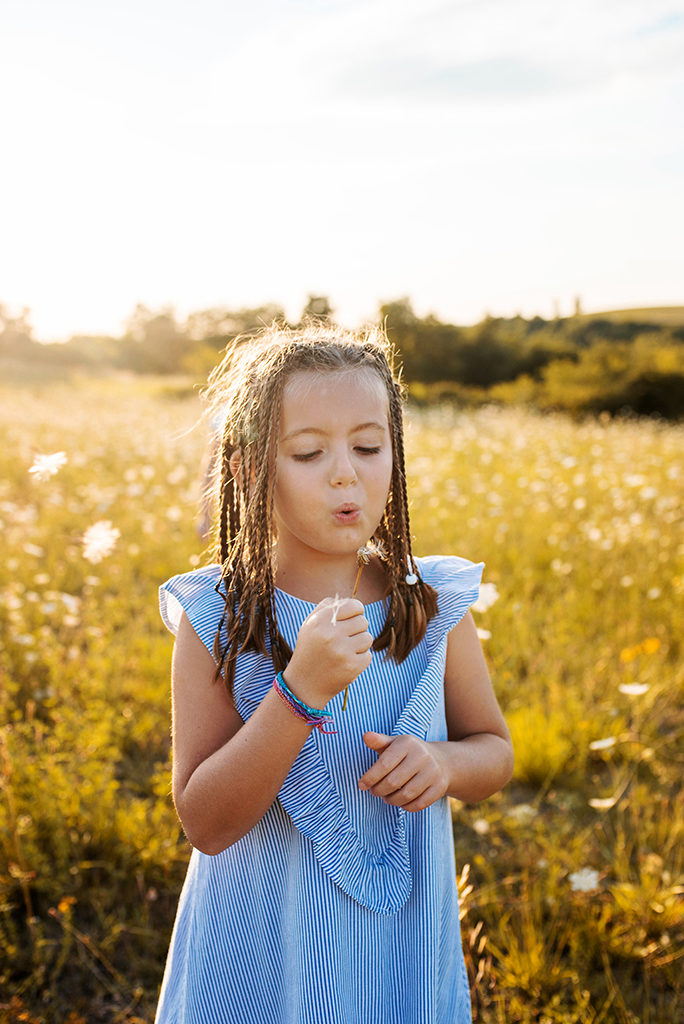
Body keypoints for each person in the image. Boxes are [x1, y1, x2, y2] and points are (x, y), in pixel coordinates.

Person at [155, 323, 513, 1024]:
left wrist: (443, 763)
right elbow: (205, 821)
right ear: (250, 468)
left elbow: (493, 753)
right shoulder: (218, 620)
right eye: (311, 452)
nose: (346, 472)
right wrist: (300, 692)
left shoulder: (430, 604)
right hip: (262, 951)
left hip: (395, 952)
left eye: (369, 446)